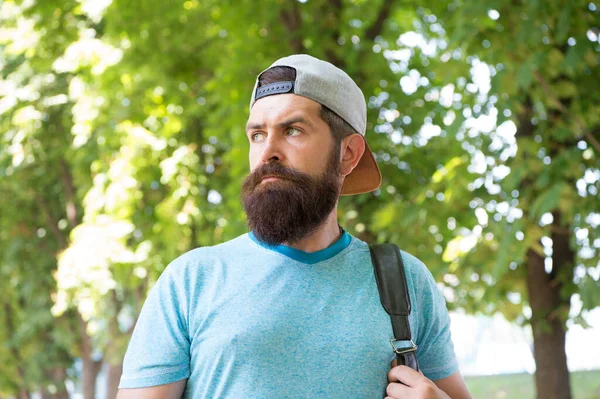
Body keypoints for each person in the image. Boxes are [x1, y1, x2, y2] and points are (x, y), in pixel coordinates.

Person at [117, 54, 472, 399]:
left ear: (347, 153)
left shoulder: (404, 282)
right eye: (257, 134)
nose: (268, 151)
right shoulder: (191, 280)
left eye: (293, 130)